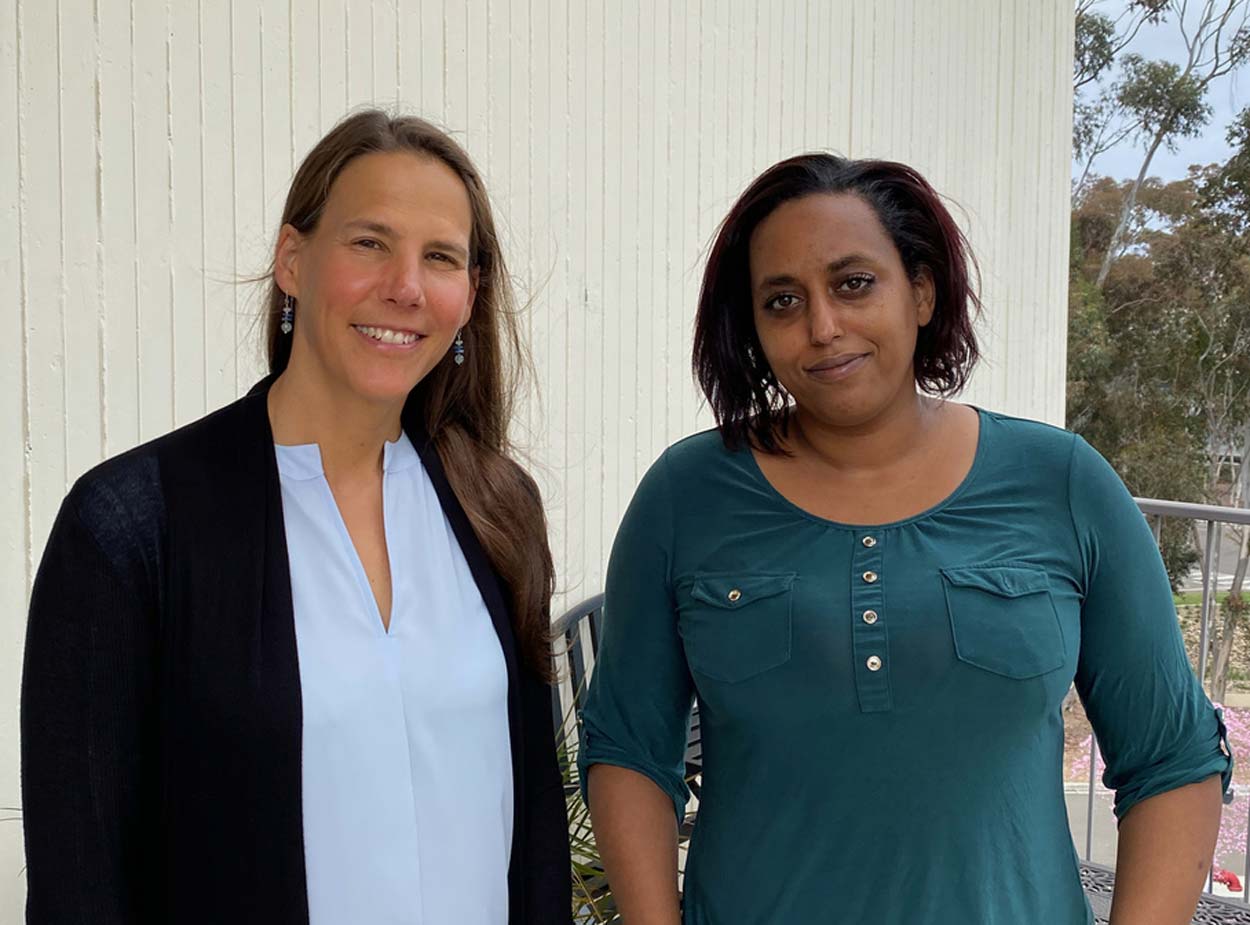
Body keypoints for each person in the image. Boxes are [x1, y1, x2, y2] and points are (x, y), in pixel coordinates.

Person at [578, 153, 1231, 924]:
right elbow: (628, 749)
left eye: (854, 283)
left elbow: (1174, 759)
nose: (823, 327)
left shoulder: (1063, 484)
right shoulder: (684, 498)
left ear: (921, 290)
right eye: (782, 300)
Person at [21, 109, 571, 925]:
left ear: (469, 295)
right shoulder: (136, 527)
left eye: (440, 257)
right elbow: (81, 882)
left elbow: (535, 839)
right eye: (369, 242)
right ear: (292, 260)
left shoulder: (497, 505)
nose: (406, 286)